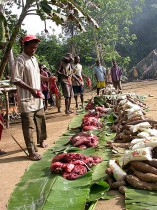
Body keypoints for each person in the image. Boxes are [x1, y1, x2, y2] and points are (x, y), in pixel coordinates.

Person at [12, 34, 50, 161]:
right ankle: (31, 151)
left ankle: (41, 140)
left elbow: (37, 75)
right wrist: (31, 89)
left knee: (40, 120)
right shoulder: (20, 60)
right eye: (31, 48)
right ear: (25, 46)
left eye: (35, 48)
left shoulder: (34, 59)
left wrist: (48, 78)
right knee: (29, 125)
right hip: (26, 98)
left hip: (37, 97)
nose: (33, 50)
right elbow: (16, 79)